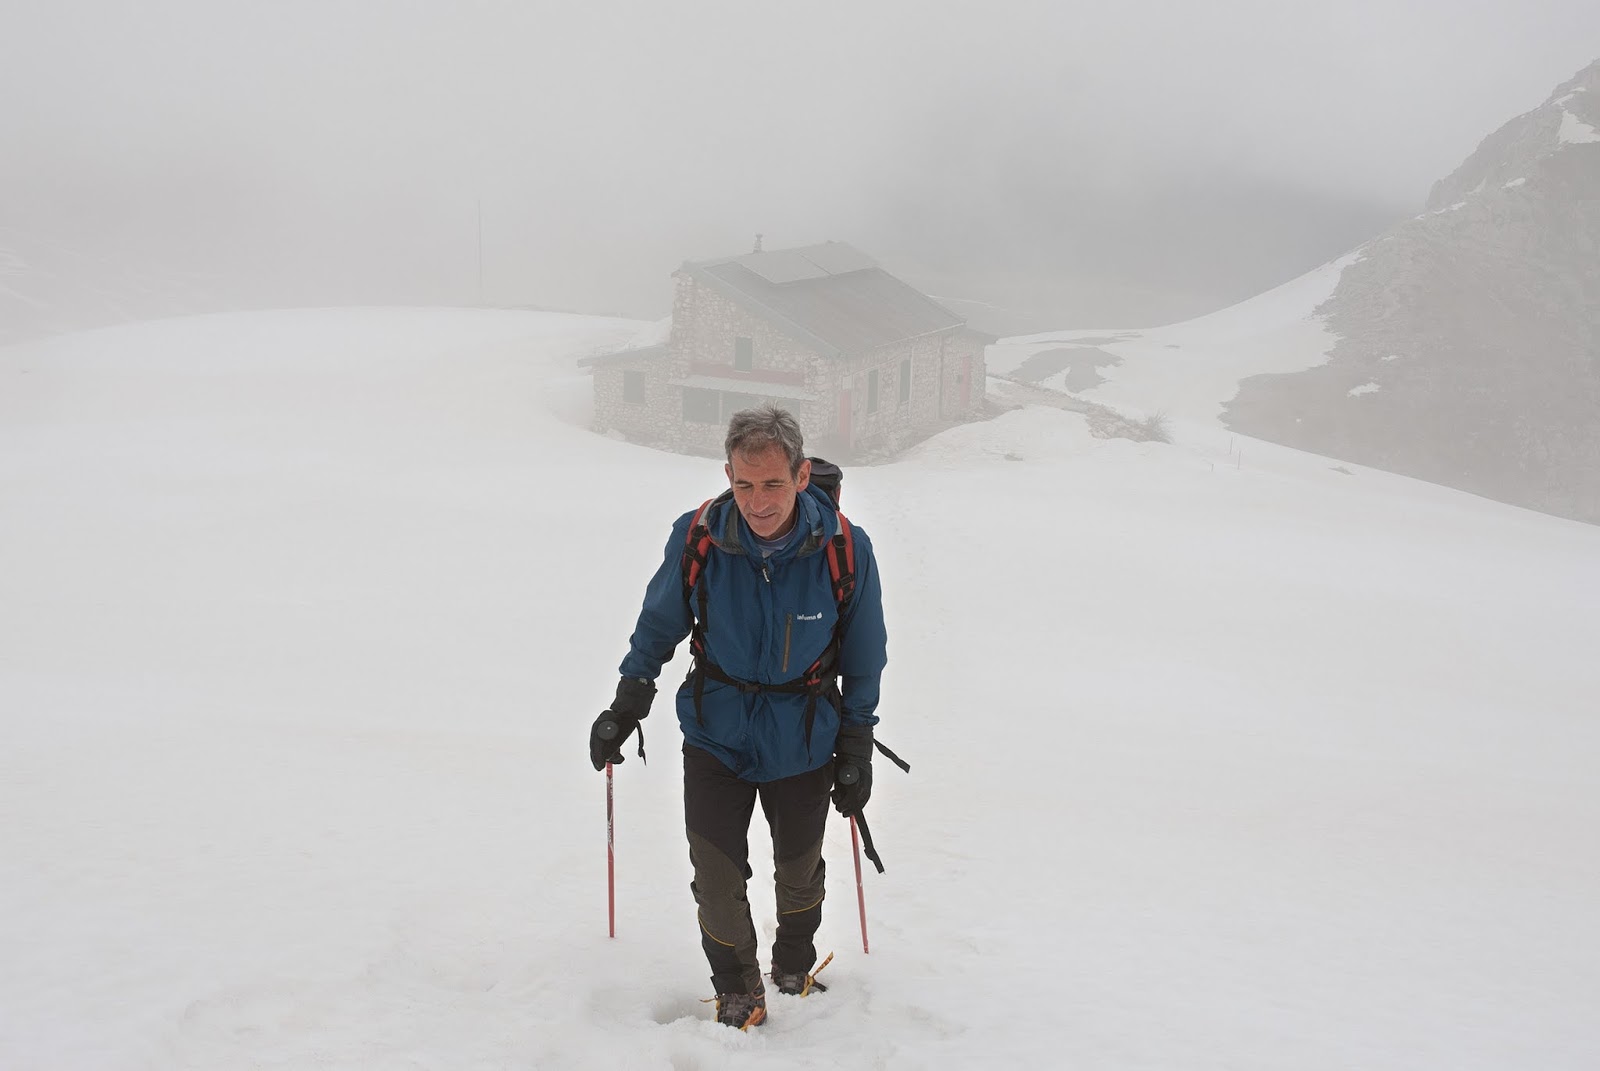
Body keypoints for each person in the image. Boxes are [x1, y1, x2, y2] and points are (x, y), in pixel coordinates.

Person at [588, 405, 888, 1030]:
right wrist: (627, 702)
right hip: (716, 730)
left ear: (802, 475)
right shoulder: (700, 536)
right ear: (728, 474)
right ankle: (736, 986)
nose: (757, 502)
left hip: (805, 737)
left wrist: (856, 745)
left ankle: (793, 963)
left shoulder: (843, 548)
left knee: (799, 870)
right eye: (744, 485)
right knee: (716, 873)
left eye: (773, 483)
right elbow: (659, 622)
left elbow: (865, 655)